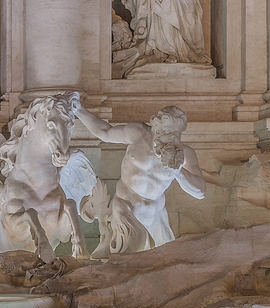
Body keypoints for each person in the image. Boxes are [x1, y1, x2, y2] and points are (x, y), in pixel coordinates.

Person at [72, 102, 205, 252]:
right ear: (156, 126)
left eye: (177, 133)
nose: (172, 138)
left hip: (155, 215)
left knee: (166, 262)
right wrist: (79, 110)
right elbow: (104, 132)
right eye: (168, 131)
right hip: (125, 208)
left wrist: (178, 171)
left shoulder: (184, 154)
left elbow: (200, 192)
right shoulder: (137, 133)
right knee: (128, 262)